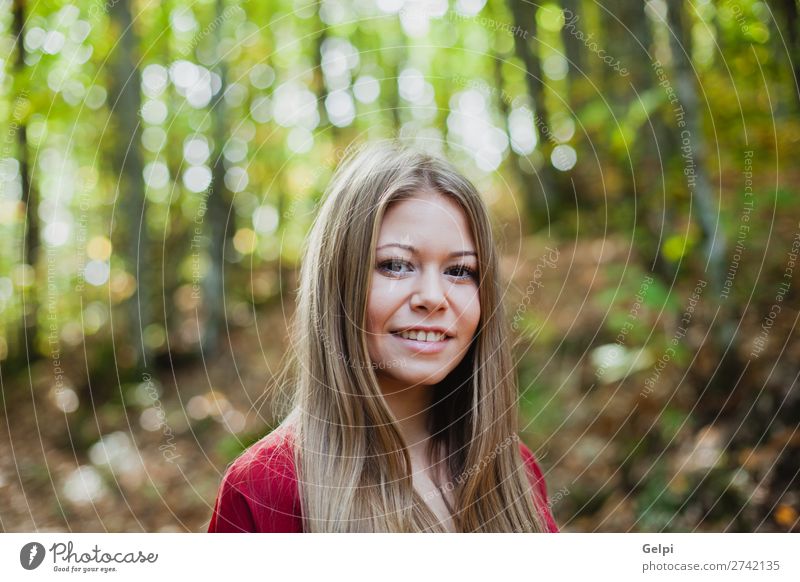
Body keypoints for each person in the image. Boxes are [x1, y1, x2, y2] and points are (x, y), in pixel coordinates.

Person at [208, 141, 559, 533]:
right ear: (339, 285)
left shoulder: (516, 471)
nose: (432, 296)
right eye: (395, 265)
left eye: (460, 271)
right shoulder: (261, 490)